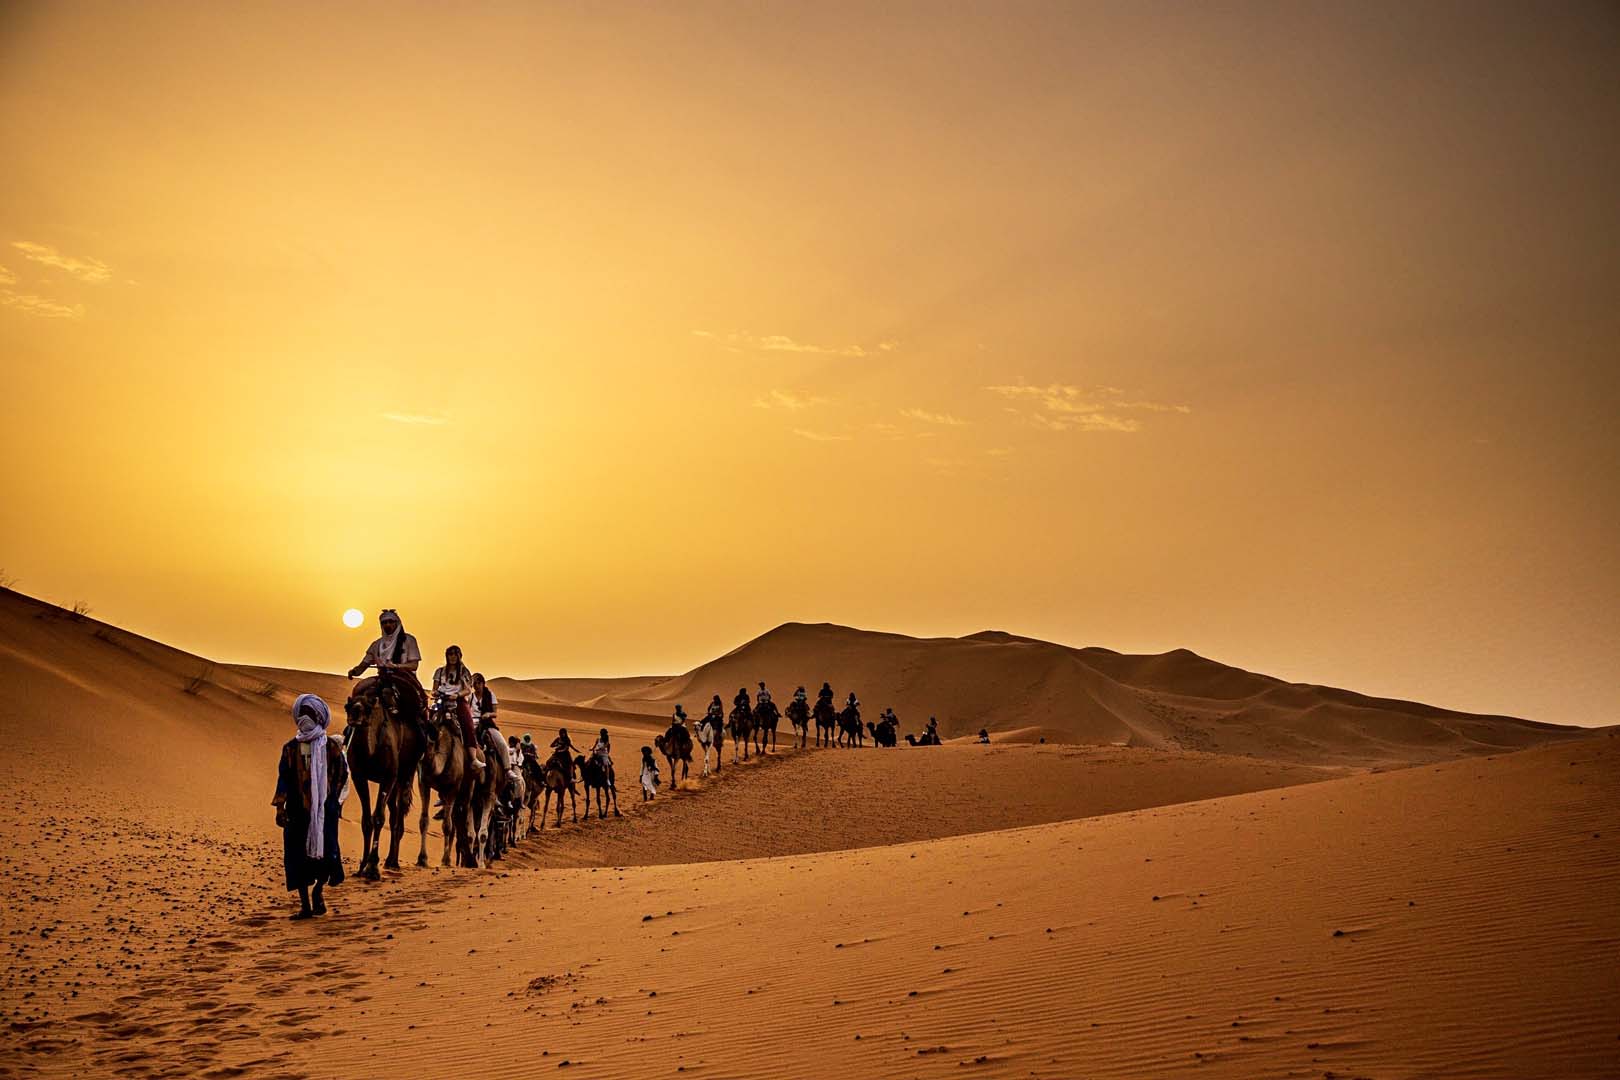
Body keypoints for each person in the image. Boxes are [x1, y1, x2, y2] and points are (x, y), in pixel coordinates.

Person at [273, 694, 348, 920]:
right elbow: (283, 778)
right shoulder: (290, 749)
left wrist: (329, 799)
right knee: (297, 857)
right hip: (297, 811)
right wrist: (280, 807)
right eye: (302, 713)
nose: (305, 718)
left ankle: (318, 892)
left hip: (324, 812)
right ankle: (305, 905)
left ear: (318, 716)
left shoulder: (331, 748)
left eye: (310, 714)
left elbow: (342, 775)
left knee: (326, 854)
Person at [347, 608, 430, 723]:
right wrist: (355, 671)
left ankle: (419, 726)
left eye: (391, 622)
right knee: (359, 689)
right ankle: (353, 726)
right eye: (384, 622)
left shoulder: (409, 640)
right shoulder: (376, 644)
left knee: (412, 702)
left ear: (397, 623)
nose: (388, 625)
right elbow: (364, 664)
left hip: (404, 677)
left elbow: (414, 665)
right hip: (383, 677)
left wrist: (396, 666)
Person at [431, 646, 484, 771]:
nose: (452, 657)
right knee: (428, 720)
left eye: (455, 654)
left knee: (468, 725)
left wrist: (457, 695)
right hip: (441, 700)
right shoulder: (439, 671)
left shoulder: (464, 672)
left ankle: (473, 758)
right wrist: (435, 693)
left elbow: (467, 690)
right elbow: (434, 688)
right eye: (450, 654)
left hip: (458, 701)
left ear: (459, 656)